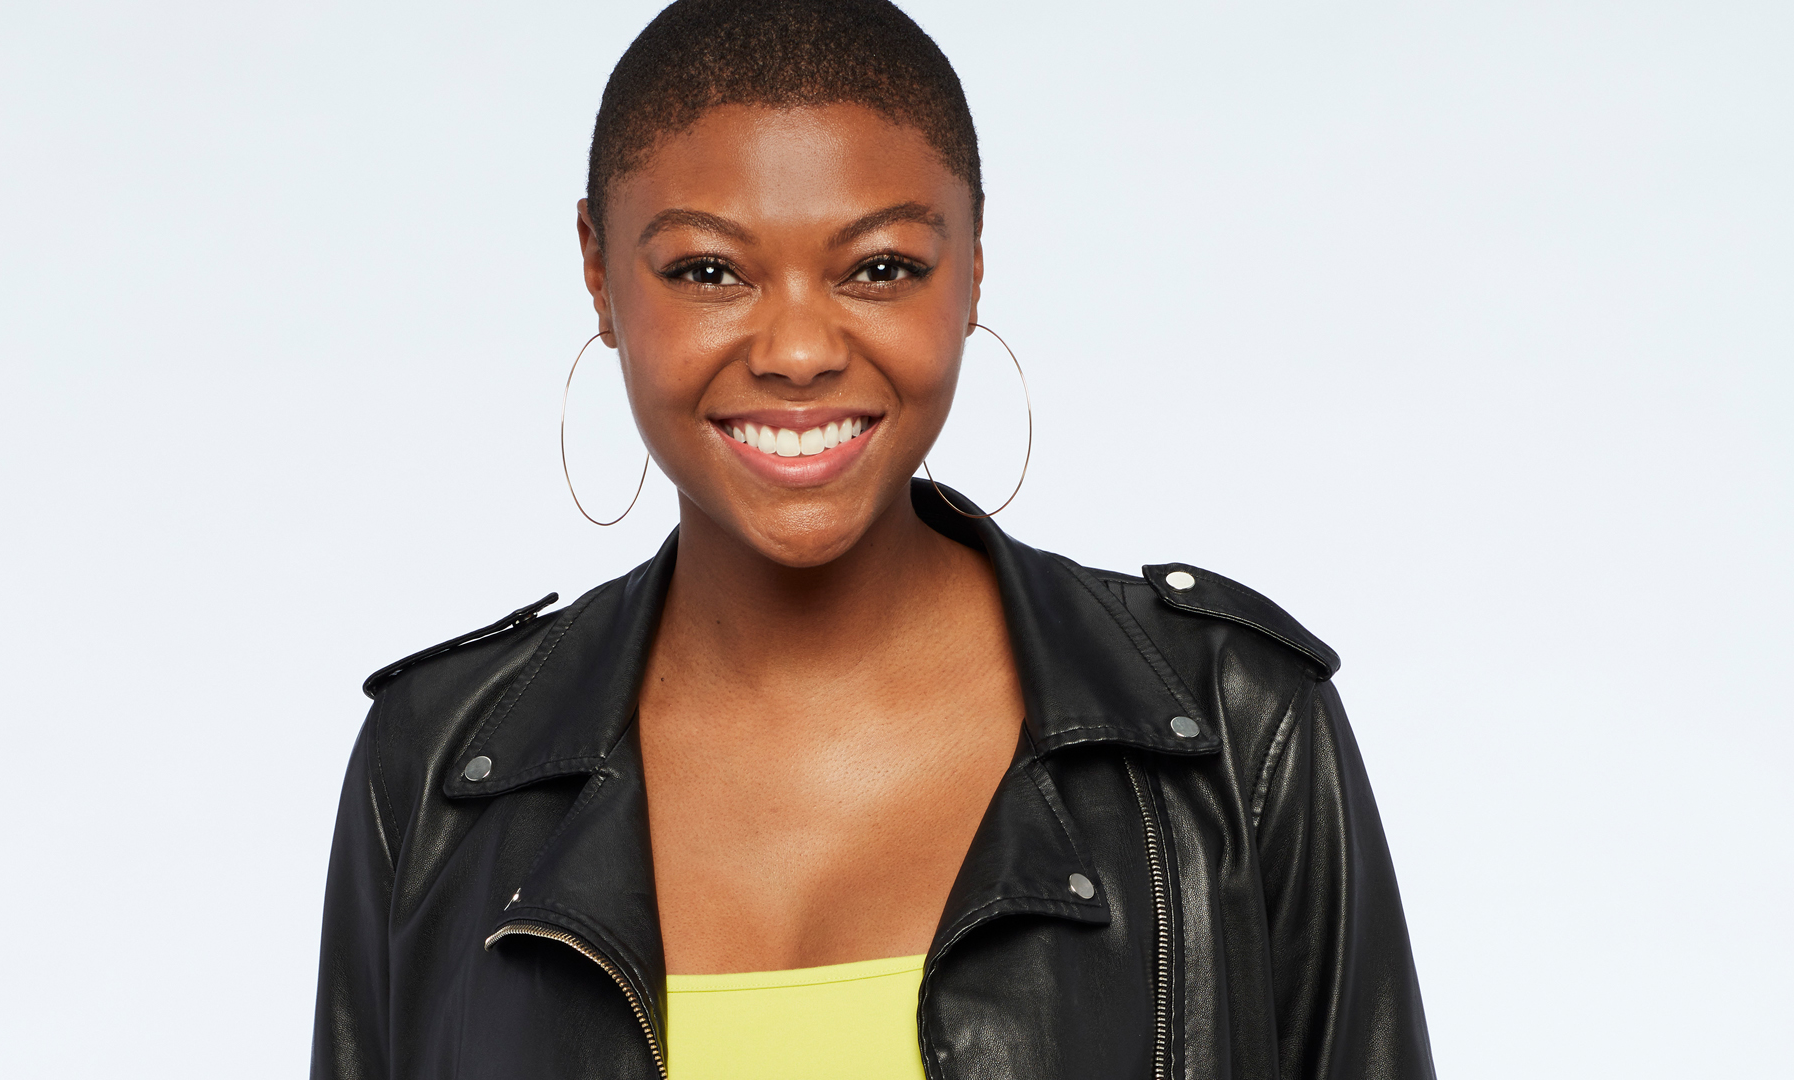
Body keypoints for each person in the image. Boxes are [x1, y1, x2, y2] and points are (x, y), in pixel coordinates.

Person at [310, 2, 1434, 1078]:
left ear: (974, 265)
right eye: (709, 271)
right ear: (598, 272)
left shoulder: (1231, 732)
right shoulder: (436, 772)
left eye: (881, 267)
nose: (798, 351)